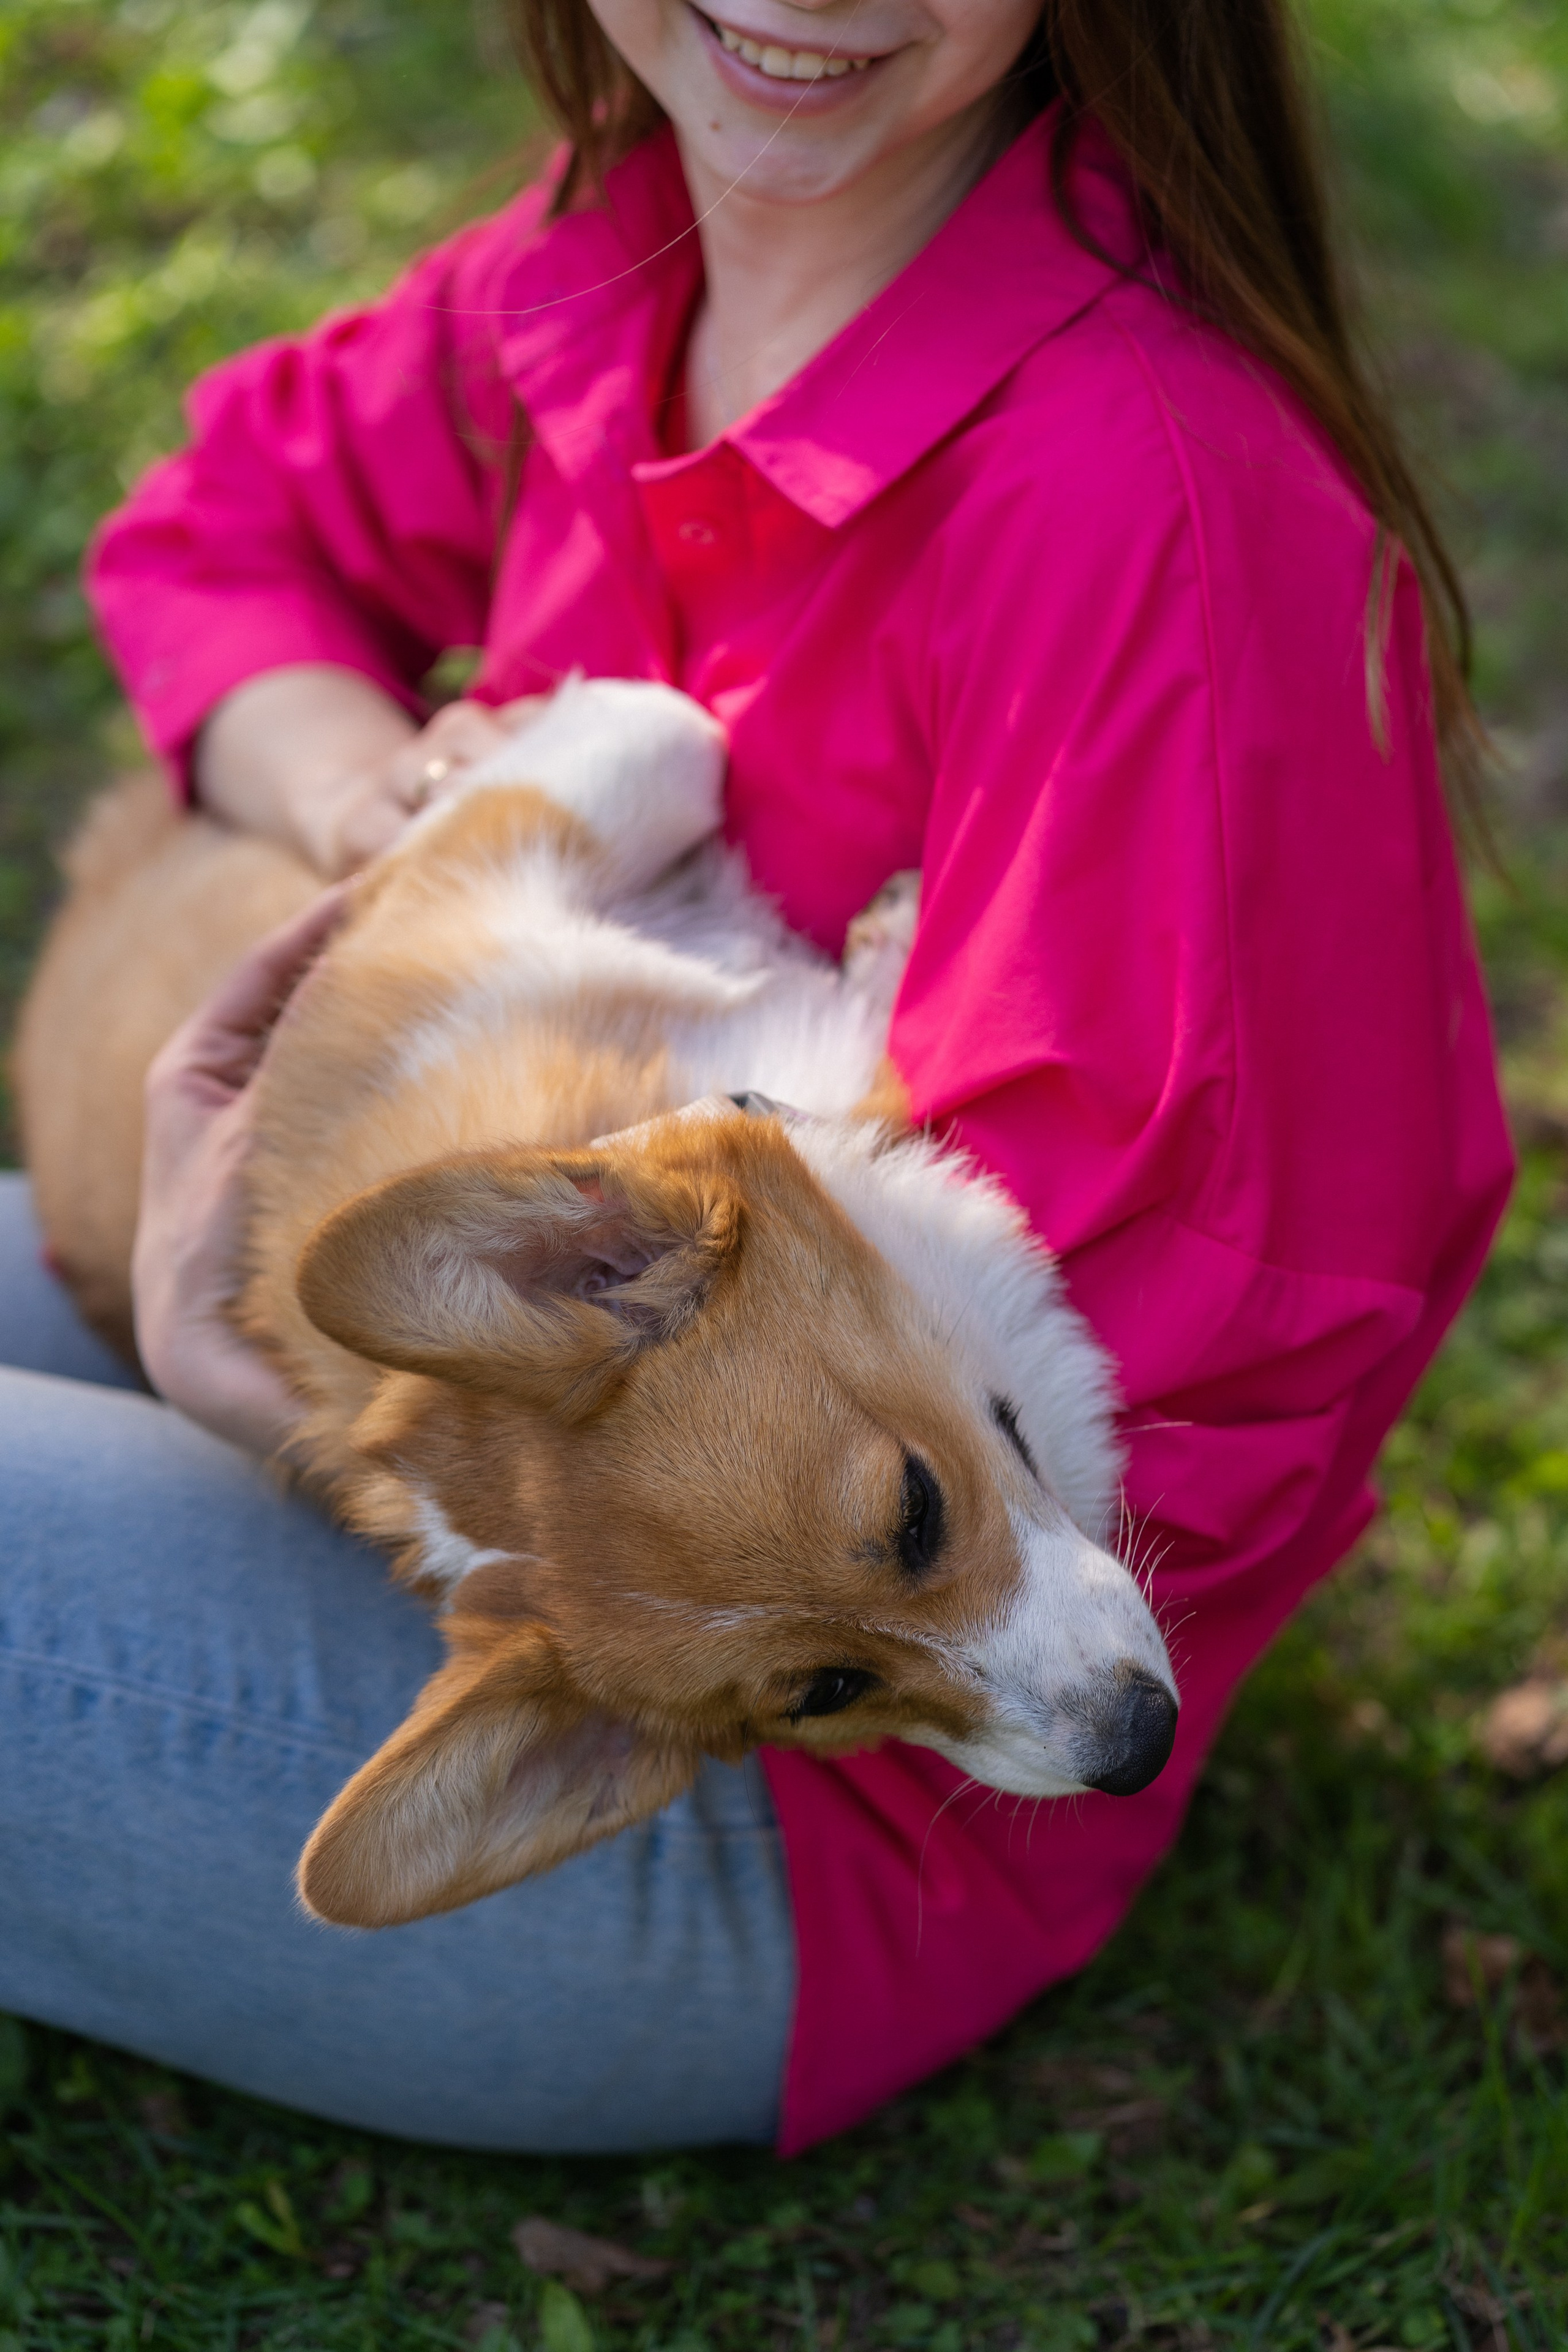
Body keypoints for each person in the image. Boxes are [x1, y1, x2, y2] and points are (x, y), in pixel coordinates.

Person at [1, 0, 1513, 2154]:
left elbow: (1191, 1371)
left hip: (801, 1832)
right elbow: (218, 541)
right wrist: (387, 821)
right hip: (546, 1453)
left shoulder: (1143, 508)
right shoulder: (607, 258)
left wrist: (272, 1404)